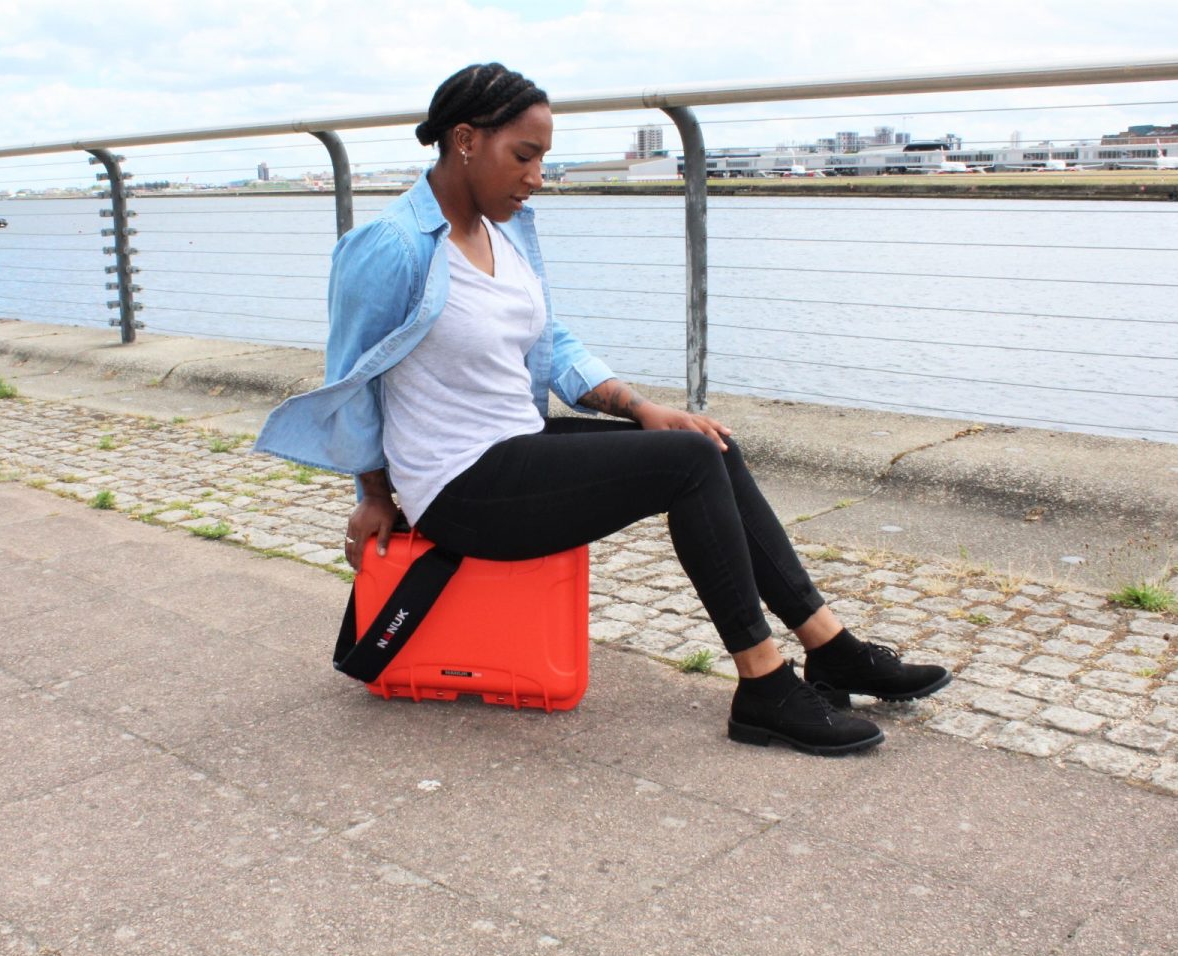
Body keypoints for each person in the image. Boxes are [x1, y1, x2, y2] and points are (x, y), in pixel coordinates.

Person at [255, 63, 950, 755]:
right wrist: (374, 495)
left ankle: (831, 649)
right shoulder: (392, 246)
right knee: (687, 465)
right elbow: (351, 379)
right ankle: (764, 686)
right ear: (465, 140)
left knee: (707, 444)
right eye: (524, 156)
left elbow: (552, 345)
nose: (537, 177)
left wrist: (643, 408)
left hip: (516, 449)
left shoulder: (505, 232)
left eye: (542, 159)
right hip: (458, 488)